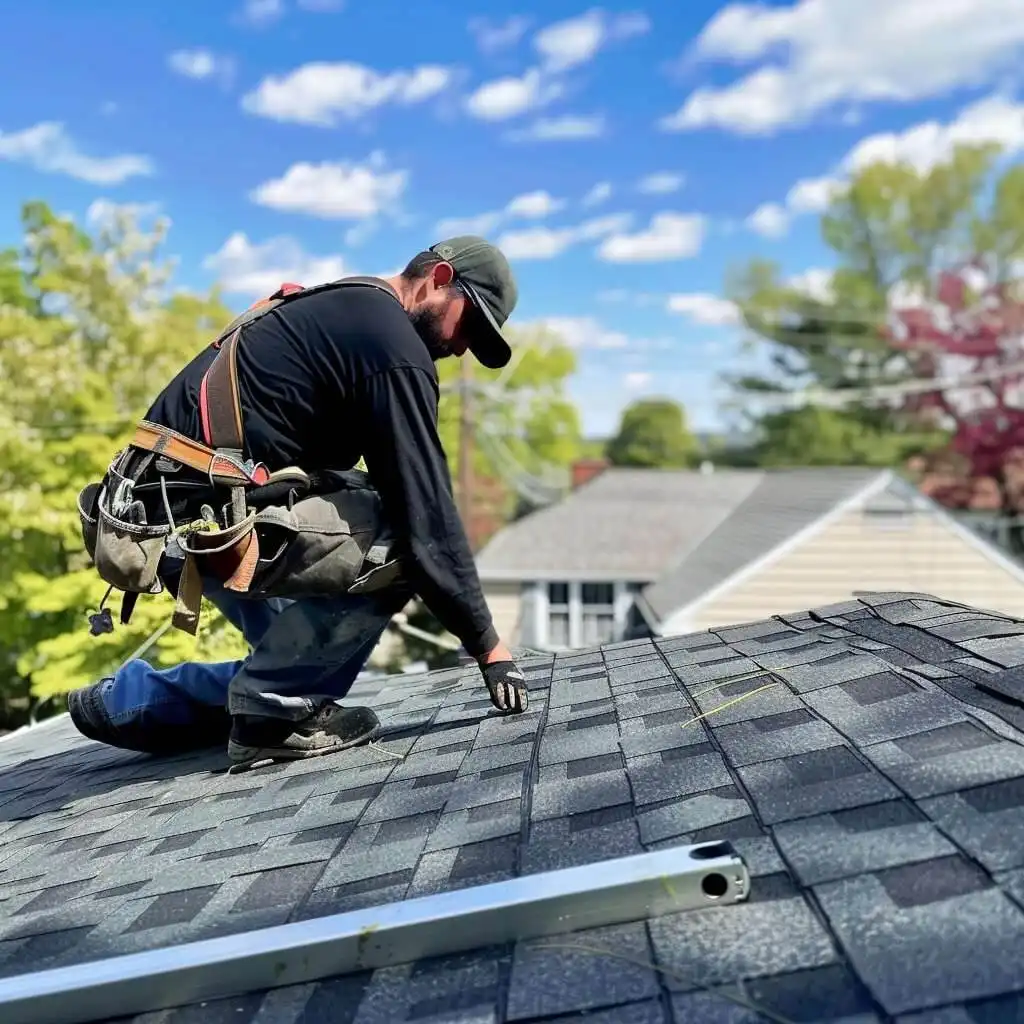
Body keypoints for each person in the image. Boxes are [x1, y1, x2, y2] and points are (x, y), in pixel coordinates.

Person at [66, 236, 529, 769]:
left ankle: (136, 703)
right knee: (398, 541)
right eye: (468, 325)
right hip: (209, 525)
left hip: (156, 519)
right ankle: (273, 716)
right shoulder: (393, 346)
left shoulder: (343, 305)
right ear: (439, 279)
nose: (462, 347)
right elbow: (425, 513)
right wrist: (490, 650)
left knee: (292, 648)